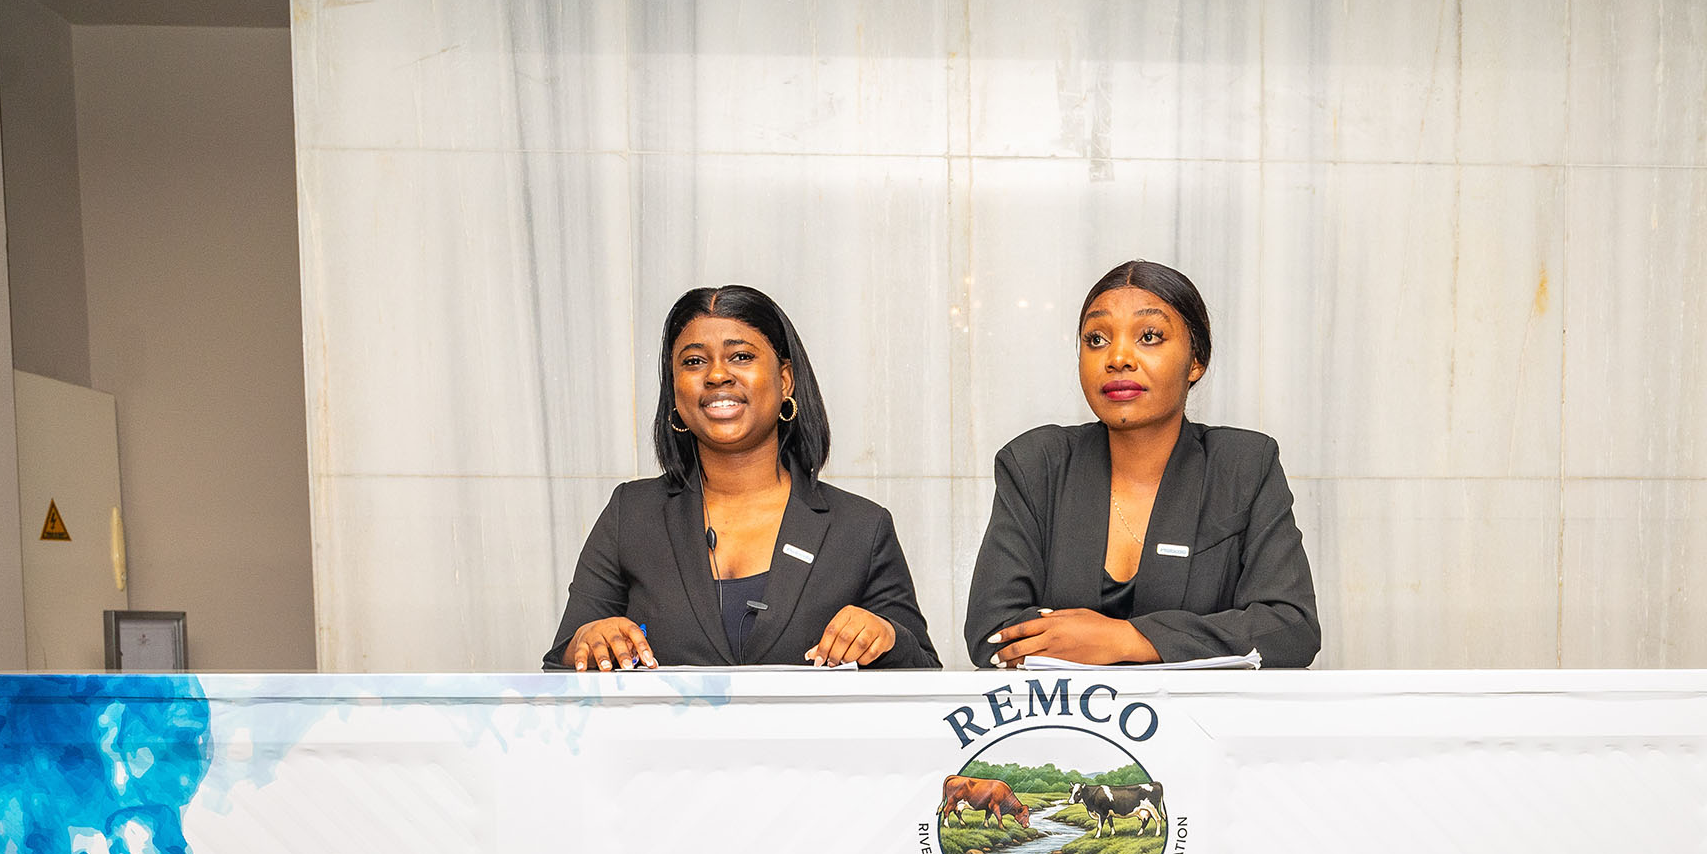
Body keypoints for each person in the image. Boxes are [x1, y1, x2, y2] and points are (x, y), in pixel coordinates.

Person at [546, 286, 940, 670]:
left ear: (785, 380)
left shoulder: (860, 526)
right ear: (675, 389)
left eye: (741, 356)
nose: (717, 374)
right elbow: (562, 659)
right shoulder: (631, 514)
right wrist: (589, 640)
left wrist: (885, 636)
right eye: (694, 361)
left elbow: (923, 669)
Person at [963, 260, 1319, 667]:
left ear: (1197, 360)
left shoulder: (1243, 466)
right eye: (1097, 339)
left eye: (1149, 336)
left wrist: (1128, 640)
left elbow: (1290, 628)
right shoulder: (1035, 464)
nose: (1118, 357)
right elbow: (993, 631)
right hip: (1065, 710)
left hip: (1201, 710)